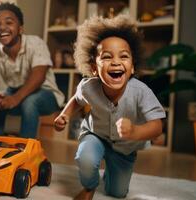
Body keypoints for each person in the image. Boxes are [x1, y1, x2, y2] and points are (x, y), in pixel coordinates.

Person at [54, 15, 165, 199]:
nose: (115, 62)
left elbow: (157, 126)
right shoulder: (89, 86)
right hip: (95, 134)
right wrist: (64, 115)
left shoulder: (141, 92)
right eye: (106, 56)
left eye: (124, 56)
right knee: (85, 158)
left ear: (132, 67)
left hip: (125, 147)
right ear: (94, 68)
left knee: (117, 192)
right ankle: (89, 187)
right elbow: (76, 98)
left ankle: (111, 176)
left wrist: (135, 132)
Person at [0, 2, 64, 138]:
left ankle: (25, 151)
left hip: (46, 94)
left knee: (29, 102)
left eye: (9, 23)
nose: (2, 27)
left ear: (20, 29)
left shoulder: (36, 43)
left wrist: (15, 98)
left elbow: (39, 76)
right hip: (15, 92)